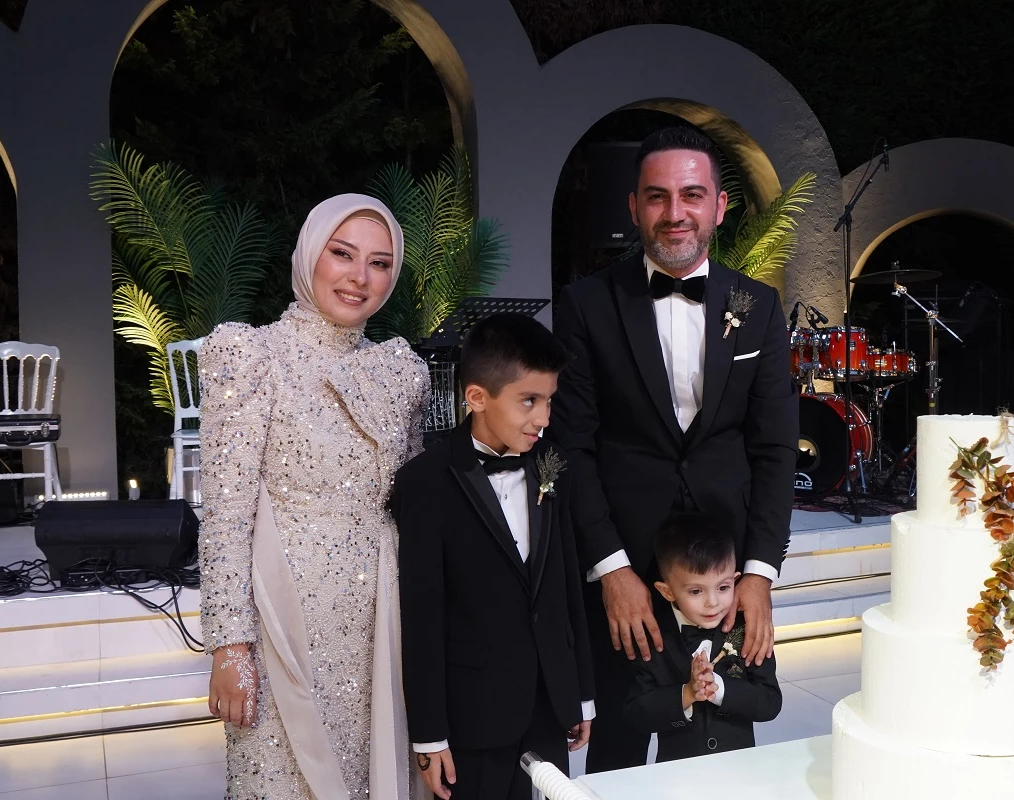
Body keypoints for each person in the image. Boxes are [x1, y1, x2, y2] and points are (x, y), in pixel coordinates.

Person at [549, 125, 799, 771]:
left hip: (724, 574)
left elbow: (775, 450)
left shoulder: (758, 306)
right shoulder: (586, 305)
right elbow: (570, 448)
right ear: (634, 207)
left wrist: (758, 573)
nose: (675, 212)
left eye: (692, 194)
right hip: (627, 565)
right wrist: (611, 570)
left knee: (722, 742)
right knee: (620, 745)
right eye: (657, 196)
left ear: (719, 206)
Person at [198, 193, 429, 800]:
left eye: (379, 263)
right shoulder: (251, 355)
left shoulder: (401, 371)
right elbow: (224, 515)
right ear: (308, 256)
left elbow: (413, 502)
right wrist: (229, 644)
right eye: (342, 254)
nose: (359, 278)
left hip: (382, 613)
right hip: (284, 614)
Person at [393, 313, 595, 800]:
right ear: (477, 397)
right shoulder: (424, 482)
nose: (544, 418)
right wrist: (430, 734)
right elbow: (422, 617)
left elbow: (567, 584)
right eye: (529, 401)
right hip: (473, 715)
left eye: (549, 400)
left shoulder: (554, 465)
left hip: (548, 705)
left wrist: (581, 694)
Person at [625, 514, 782, 762]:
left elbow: (770, 702)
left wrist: (719, 688)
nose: (712, 602)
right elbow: (637, 713)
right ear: (667, 591)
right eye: (696, 591)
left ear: (735, 580)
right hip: (676, 773)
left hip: (740, 770)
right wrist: (686, 694)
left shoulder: (747, 630)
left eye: (723, 587)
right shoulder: (651, 638)